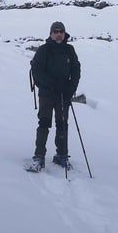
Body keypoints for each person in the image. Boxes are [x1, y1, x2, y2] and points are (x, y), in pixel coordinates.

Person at [28, 21, 80, 171]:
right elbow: (37, 70)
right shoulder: (44, 50)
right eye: (55, 31)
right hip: (47, 93)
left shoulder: (70, 50)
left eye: (61, 31)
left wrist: (71, 88)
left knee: (62, 124)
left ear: (64, 34)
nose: (58, 34)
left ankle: (62, 156)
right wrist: (52, 84)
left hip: (64, 94)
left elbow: (76, 70)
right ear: (51, 33)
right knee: (44, 123)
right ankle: (39, 157)